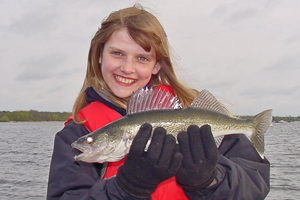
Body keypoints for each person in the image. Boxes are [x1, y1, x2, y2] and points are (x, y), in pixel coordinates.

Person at [47, 4, 270, 200]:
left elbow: (256, 183)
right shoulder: (75, 134)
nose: (127, 68)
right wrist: (127, 187)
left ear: (156, 66)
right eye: (117, 53)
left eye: (142, 58)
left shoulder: (193, 112)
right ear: (99, 55)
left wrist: (210, 178)